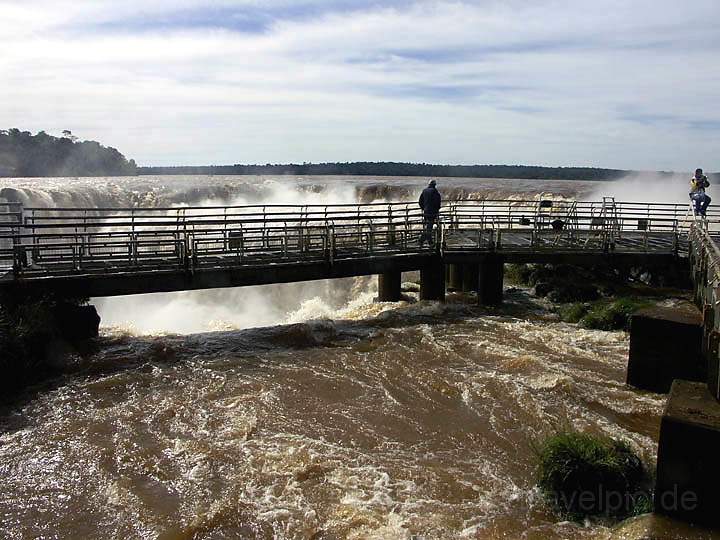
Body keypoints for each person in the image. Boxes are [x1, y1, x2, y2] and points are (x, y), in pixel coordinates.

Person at [418, 179, 441, 246]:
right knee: (429, 227)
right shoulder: (435, 191)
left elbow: (420, 202)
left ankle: (429, 241)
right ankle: (422, 239)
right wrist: (437, 209)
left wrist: (423, 208)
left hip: (425, 211)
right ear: (434, 185)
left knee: (428, 226)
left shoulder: (424, 191)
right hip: (432, 212)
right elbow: (437, 202)